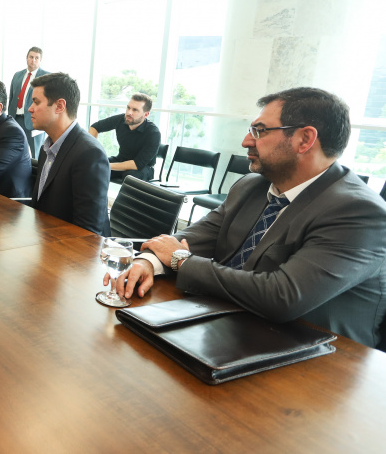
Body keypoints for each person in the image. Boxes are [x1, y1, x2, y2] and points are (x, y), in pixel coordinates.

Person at [112, 87, 386, 348]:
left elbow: (282, 297)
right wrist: (150, 261)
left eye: (260, 131)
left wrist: (179, 261)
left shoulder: (359, 213)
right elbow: (197, 237)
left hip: (313, 361)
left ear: (305, 139)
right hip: (230, 328)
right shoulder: (252, 185)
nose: (246, 141)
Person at [28, 73, 110, 235]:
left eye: (36, 102)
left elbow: (88, 232)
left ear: (59, 106)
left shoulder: (89, 154)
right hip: (45, 240)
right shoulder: (47, 147)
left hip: (73, 252)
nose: (30, 108)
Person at [89, 93, 161, 181]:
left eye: (135, 110)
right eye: (128, 108)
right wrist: (93, 151)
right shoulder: (121, 119)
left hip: (142, 168)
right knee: (91, 166)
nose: (129, 112)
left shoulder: (153, 133)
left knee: (129, 176)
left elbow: (137, 164)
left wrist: (106, 165)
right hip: (121, 160)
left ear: (145, 115)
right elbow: (94, 127)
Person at [8, 47, 50, 158]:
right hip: (15, 119)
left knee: (33, 153)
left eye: (37, 58)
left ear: (40, 60)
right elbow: (12, 97)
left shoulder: (47, 77)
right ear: (26, 58)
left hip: (33, 120)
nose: (33, 60)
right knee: (13, 149)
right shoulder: (17, 75)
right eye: (31, 57)